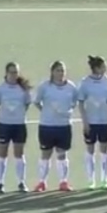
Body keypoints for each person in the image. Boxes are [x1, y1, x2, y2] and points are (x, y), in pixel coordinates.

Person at [34, 60, 79, 192]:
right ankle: (42, 182)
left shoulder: (71, 87)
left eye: (62, 71)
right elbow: (37, 102)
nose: (60, 73)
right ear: (52, 72)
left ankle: (63, 182)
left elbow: (75, 102)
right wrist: (46, 112)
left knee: (62, 154)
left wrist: (68, 111)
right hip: (47, 126)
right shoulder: (45, 86)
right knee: (45, 154)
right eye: (58, 70)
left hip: (63, 126)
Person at [78, 55, 107, 191]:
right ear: (96, 68)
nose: (106, 68)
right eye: (103, 66)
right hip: (91, 122)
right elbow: (81, 102)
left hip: (104, 122)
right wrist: (85, 122)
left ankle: (105, 179)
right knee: (90, 150)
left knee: (104, 151)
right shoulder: (85, 82)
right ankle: (91, 180)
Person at [0, 62, 32, 194]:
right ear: (6, 73)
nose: (13, 75)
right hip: (3, 125)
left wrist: (19, 116)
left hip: (19, 125)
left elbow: (27, 104)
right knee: (2, 153)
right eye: (11, 72)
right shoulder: (1, 88)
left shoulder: (23, 89)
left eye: (16, 72)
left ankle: (21, 182)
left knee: (19, 154)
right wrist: (3, 116)